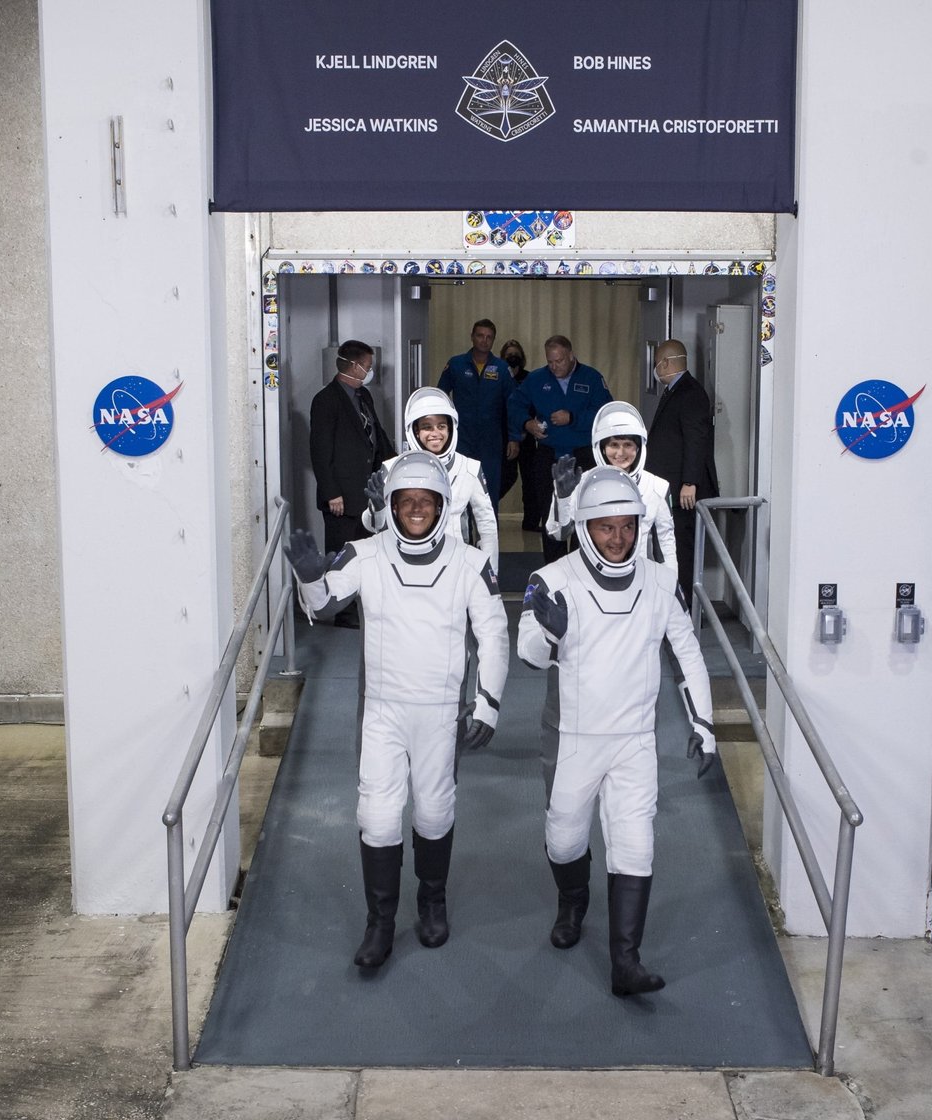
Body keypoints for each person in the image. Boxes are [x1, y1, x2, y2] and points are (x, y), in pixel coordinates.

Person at [285, 452, 509, 971]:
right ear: (391, 505)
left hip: (440, 712)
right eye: (405, 502)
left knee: (434, 812)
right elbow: (321, 606)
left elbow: (495, 634)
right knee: (377, 818)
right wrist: (310, 577)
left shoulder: (470, 562)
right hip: (383, 712)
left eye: (424, 502)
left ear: (441, 506)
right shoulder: (365, 553)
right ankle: (380, 922)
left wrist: (489, 701)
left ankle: (432, 901)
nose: (414, 511)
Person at [517, 468, 715, 997]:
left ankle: (625, 960)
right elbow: (527, 656)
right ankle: (572, 899)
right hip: (572, 737)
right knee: (564, 840)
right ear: (584, 527)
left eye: (628, 527)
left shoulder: (658, 580)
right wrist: (549, 635)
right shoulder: (551, 580)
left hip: (635, 738)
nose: (619, 538)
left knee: (635, 845)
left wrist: (704, 723)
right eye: (606, 528)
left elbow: (687, 652)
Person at [362, 386, 498, 570]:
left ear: (451, 429)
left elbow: (487, 526)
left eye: (441, 426)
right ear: (415, 431)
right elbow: (374, 527)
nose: (435, 433)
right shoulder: (393, 468)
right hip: (406, 564)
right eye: (427, 427)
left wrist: (490, 574)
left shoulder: (469, 468)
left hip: (457, 564)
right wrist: (377, 510)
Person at [309, 338, 394, 628]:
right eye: (368, 366)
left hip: (366, 491)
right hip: (341, 496)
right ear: (353, 365)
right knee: (342, 553)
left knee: (367, 552)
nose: (370, 370)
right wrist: (332, 493)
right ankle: (343, 612)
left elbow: (377, 435)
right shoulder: (326, 400)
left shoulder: (364, 396)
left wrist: (394, 465)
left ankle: (363, 605)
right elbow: (320, 451)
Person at [507, 334, 612, 563]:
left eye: (560, 361)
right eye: (550, 362)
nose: (554, 367)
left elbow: (605, 413)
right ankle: (554, 571)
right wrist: (527, 424)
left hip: (583, 455)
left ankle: (579, 567)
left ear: (571, 356)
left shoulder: (592, 378)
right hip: (548, 456)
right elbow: (514, 405)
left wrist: (572, 417)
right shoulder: (536, 379)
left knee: (582, 515)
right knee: (551, 516)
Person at [546, 401, 677, 569]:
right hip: (590, 577)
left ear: (639, 448)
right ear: (602, 448)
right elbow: (558, 534)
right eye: (614, 445)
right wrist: (562, 497)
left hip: (641, 578)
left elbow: (666, 544)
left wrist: (671, 587)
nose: (620, 453)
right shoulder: (581, 482)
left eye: (628, 445)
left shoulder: (657, 486)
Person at [645, 340, 720, 603]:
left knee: (682, 551)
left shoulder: (690, 393)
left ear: (666, 363)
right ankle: (674, 604)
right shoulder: (674, 391)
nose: (655, 369)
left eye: (656, 363)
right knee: (671, 549)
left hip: (683, 491)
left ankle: (685, 608)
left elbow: (695, 439)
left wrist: (690, 482)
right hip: (671, 488)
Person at [437, 319, 514, 510]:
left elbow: (513, 405)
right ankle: (463, 540)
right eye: (480, 335)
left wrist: (514, 438)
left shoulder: (502, 369)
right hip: (462, 439)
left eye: (489, 337)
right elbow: (440, 397)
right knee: (459, 496)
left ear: (493, 340)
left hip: (491, 442)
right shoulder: (456, 364)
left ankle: (488, 540)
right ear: (472, 337)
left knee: (488, 497)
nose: (484, 341)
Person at [498, 339, 541, 531]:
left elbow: (534, 405)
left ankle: (531, 522)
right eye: (508, 355)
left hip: (528, 436)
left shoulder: (530, 378)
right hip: (505, 436)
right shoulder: (498, 376)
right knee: (507, 476)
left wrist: (527, 427)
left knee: (532, 481)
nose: (512, 358)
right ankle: (485, 509)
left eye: (516, 354)